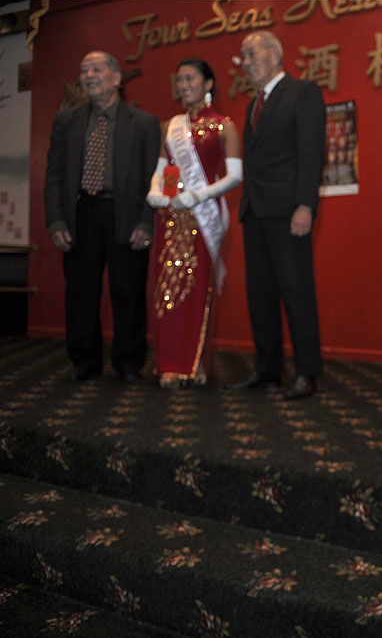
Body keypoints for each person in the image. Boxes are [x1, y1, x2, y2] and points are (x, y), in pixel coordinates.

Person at [44, 51, 160, 383]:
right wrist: (56, 220)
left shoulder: (144, 123)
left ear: (116, 78)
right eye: (84, 70)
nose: (88, 75)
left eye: (96, 69)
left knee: (128, 290)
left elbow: (154, 176)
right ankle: (84, 361)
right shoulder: (67, 121)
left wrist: (146, 221)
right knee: (80, 291)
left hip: (126, 214)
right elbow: (54, 176)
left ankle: (128, 362)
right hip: (80, 213)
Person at [228, 31, 326, 400]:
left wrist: (305, 205)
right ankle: (267, 370)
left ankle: (307, 372)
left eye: (251, 53)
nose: (245, 62)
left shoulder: (303, 92)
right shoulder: (254, 104)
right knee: (260, 293)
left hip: (288, 209)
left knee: (296, 290)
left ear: (275, 54)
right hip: (255, 209)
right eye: (243, 56)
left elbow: (312, 153)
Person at [145, 58, 242, 389]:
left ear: (208, 83)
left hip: (203, 215)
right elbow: (163, 169)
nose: (184, 85)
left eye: (191, 78)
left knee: (198, 287)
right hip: (171, 217)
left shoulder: (224, 126)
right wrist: (155, 190)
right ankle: (170, 363)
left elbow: (235, 176)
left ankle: (195, 363)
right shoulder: (170, 126)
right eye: (180, 79)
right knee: (167, 291)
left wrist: (197, 196)